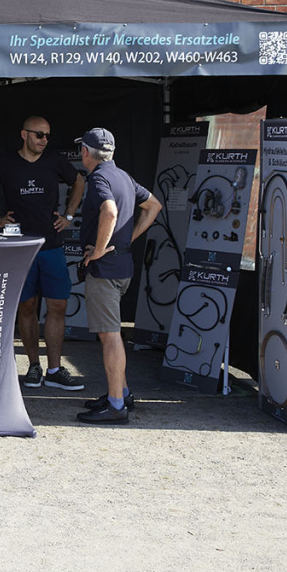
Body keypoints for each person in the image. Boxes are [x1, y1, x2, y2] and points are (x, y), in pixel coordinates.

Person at [0, 115, 86, 391]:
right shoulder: (6, 163)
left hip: (52, 246)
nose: (44, 140)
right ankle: (34, 366)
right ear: (24, 135)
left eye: (47, 135)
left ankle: (55, 369)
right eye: (39, 134)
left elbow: (79, 181)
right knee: (27, 306)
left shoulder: (55, 161)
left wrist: (69, 215)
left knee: (58, 305)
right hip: (20, 248)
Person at [75, 127, 162, 424]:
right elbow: (153, 206)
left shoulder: (99, 178)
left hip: (105, 270)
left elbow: (110, 212)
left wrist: (99, 250)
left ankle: (115, 406)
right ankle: (121, 394)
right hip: (123, 266)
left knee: (110, 337)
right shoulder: (124, 176)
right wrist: (126, 240)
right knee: (111, 334)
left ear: (85, 152)